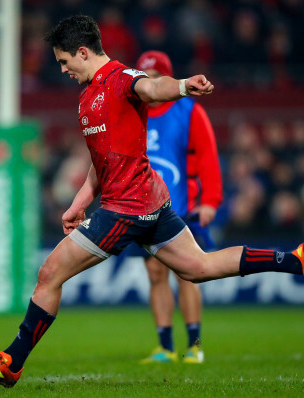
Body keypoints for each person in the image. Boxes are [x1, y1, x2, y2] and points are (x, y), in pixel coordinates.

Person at [0, 15, 304, 388]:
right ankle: (297, 261)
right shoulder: (87, 98)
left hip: (126, 208)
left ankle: (11, 361)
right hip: (147, 202)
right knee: (199, 267)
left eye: (63, 61)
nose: (62, 70)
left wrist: (181, 86)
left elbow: (151, 88)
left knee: (49, 274)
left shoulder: (121, 77)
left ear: (82, 52)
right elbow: (101, 164)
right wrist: (78, 204)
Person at [125, 50, 222, 364]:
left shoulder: (188, 111)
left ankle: (194, 346)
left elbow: (208, 158)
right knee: (155, 274)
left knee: (188, 274)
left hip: (184, 206)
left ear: (167, 79)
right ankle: (165, 347)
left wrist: (210, 202)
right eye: (144, 78)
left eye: (155, 78)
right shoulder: (131, 112)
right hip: (144, 207)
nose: (149, 84)